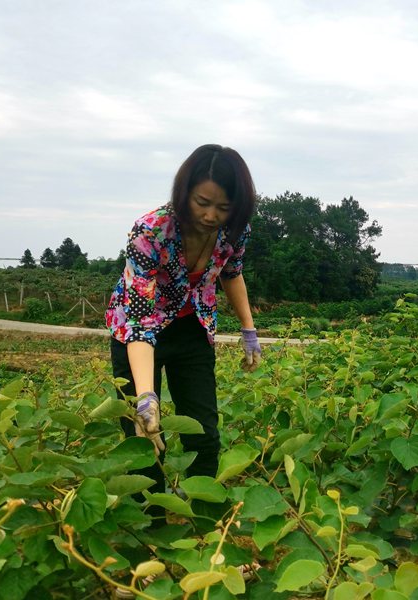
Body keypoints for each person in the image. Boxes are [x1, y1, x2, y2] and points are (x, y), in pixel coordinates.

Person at [105, 144, 263, 519]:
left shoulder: (234, 231)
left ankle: (204, 525)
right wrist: (145, 397)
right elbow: (141, 321)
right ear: (184, 193)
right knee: (144, 436)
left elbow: (231, 272)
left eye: (223, 208)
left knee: (204, 432)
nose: (211, 215)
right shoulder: (151, 230)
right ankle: (150, 526)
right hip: (136, 334)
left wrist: (248, 329)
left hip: (192, 328)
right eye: (202, 202)